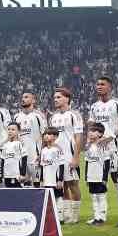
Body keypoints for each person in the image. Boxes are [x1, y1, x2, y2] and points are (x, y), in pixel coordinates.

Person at [50, 88, 83, 224]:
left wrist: (76, 157)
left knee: (73, 184)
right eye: (55, 97)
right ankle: (65, 214)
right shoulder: (53, 117)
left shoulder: (74, 115)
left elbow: (79, 137)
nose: (55, 99)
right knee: (61, 185)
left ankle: (75, 215)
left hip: (69, 156)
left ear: (67, 99)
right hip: (56, 158)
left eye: (58, 97)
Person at [84, 120, 114, 225]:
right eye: (90, 131)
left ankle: (102, 217)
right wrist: (86, 178)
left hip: (100, 177)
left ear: (100, 134)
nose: (91, 133)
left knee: (101, 196)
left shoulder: (103, 146)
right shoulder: (88, 147)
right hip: (91, 177)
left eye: (94, 131)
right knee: (93, 197)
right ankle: (96, 217)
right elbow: (87, 162)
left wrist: (105, 178)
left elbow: (107, 163)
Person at [17, 92, 48, 187]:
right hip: (21, 156)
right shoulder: (17, 117)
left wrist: (42, 154)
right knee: (23, 184)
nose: (23, 99)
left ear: (33, 100)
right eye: (22, 97)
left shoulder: (38, 116)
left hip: (35, 156)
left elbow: (45, 136)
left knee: (37, 184)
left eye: (26, 97)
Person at [0, 122, 28, 188]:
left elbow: (24, 159)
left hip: (16, 175)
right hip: (7, 175)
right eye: (9, 129)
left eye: (13, 129)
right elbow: (2, 161)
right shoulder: (5, 145)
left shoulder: (20, 144)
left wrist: (23, 174)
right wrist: (2, 176)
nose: (10, 131)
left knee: (18, 194)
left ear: (18, 131)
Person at [38, 129, 64, 201]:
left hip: (55, 181)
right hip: (46, 180)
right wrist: (41, 180)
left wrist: (60, 180)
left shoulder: (58, 149)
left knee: (58, 199)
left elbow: (61, 165)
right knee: (48, 200)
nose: (46, 136)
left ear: (55, 137)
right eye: (45, 134)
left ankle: (60, 212)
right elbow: (43, 166)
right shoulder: (43, 150)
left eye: (49, 134)